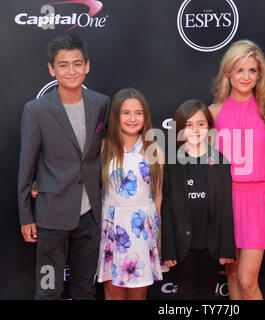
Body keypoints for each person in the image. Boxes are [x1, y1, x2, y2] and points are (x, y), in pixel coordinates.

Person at [18, 34, 110, 299]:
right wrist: (26, 216)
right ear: (51, 69)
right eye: (63, 65)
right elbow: (27, 165)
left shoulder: (102, 104)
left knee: (85, 289)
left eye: (77, 64)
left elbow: (103, 153)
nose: (71, 71)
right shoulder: (36, 110)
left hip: (91, 216)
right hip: (50, 217)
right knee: (48, 289)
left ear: (87, 66)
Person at [209, 40, 265, 300]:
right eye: (239, 70)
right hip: (225, 200)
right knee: (234, 277)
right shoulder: (213, 112)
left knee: (248, 280)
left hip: (257, 200)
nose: (245, 77)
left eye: (252, 70)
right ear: (228, 73)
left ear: (260, 74)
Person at [161, 99, 235, 299]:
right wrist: (167, 250)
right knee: (185, 294)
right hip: (183, 248)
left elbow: (227, 207)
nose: (195, 130)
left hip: (211, 247)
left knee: (207, 294)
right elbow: (166, 209)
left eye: (200, 124)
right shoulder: (173, 164)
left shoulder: (220, 161)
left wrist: (226, 247)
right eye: (188, 125)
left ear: (209, 128)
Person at [96, 88, 163, 300]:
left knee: (138, 293)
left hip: (142, 228)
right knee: (113, 293)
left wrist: (158, 237)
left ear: (145, 116)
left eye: (138, 113)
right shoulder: (104, 148)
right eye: (126, 113)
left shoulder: (155, 150)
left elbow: (158, 195)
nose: (132, 119)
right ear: (116, 116)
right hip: (112, 227)